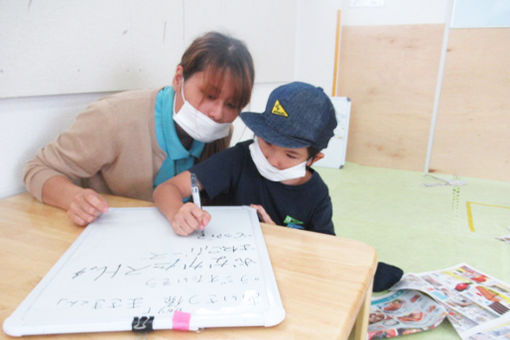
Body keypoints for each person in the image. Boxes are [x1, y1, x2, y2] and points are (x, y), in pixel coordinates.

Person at [23, 31, 255, 226]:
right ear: (178, 78)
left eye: (232, 105)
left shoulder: (220, 133)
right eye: (209, 95)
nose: (217, 113)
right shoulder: (113, 118)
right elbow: (38, 169)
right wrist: (74, 198)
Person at [154, 81, 337, 236]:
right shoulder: (239, 159)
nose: (272, 160)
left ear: (314, 159)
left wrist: (278, 237)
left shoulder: (316, 195)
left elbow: (324, 252)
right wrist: (177, 211)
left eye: (290, 155)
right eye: (267, 142)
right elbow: (167, 188)